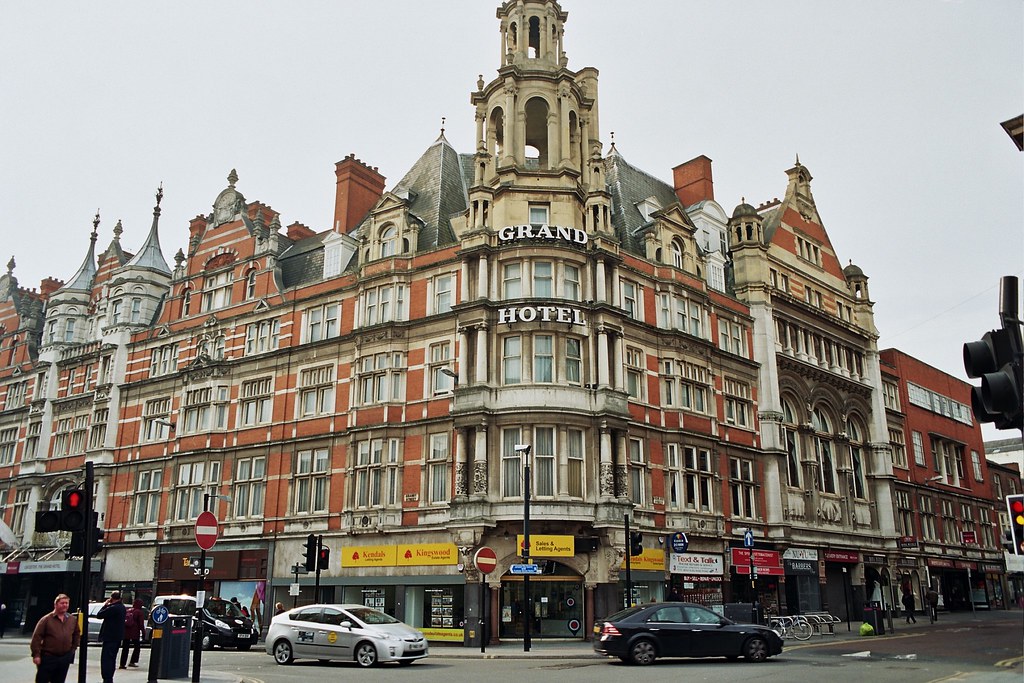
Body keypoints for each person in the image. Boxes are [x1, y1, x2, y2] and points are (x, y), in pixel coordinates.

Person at [30, 593, 80, 683]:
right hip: (48, 657)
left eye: (67, 603)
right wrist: (36, 654)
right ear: (56, 604)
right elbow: (37, 637)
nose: (65, 605)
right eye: (62, 603)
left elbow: (76, 634)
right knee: (42, 680)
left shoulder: (72, 620)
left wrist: (73, 649)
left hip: (64, 657)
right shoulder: (46, 619)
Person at [96, 592, 126, 683]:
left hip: (109, 637)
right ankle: (109, 677)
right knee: (112, 658)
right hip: (117, 637)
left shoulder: (113, 608)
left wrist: (105, 605)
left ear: (112, 598)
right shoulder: (122, 608)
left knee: (106, 659)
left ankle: (107, 678)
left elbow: (99, 615)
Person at [119, 599, 144, 669]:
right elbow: (141, 624)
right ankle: (132, 661)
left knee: (125, 648)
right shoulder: (139, 612)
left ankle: (122, 664)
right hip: (134, 632)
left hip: (126, 632)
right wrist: (143, 632)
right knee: (137, 647)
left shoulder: (129, 610)